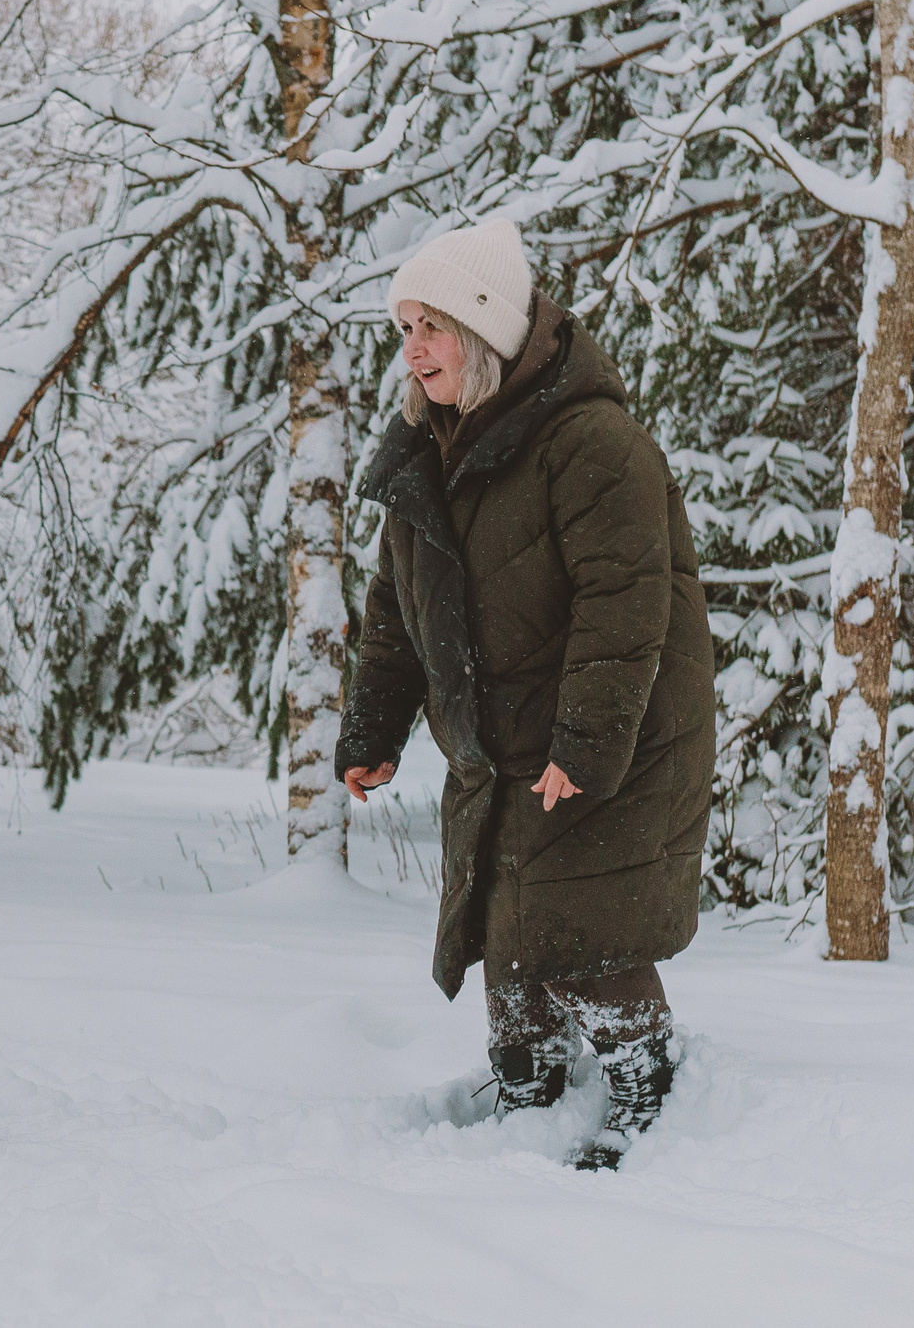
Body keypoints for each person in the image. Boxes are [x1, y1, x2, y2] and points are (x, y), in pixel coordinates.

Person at [332, 218, 715, 1170]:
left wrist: (586, 745)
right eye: (404, 328)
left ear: (488, 331)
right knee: (502, 914)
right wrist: (373, 728)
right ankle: (531, 1081)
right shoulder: (429, 455)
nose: (411, 349)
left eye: (431, 326)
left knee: (584, 921)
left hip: (609, 728)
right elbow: (396, 613)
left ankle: (643, 1082)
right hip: (501, 742)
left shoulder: (592, 443)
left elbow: (627, 603)